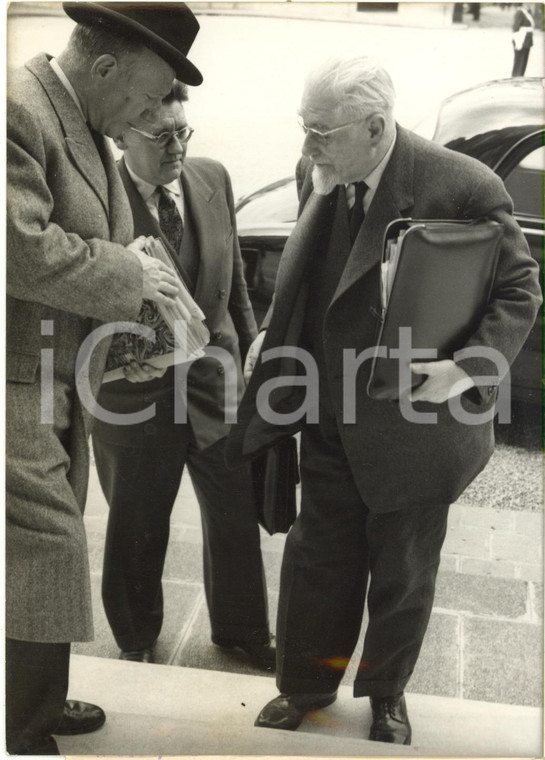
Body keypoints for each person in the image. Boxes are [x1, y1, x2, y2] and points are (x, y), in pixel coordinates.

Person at [226, 55, 541, 745]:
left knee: (400, 577)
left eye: (321, 133)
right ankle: (305, 686)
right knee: (318, 563)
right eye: (304, 129)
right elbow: (307, 275)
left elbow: (520, 291)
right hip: (329, 416)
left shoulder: (461, 186)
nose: (306, 148)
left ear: (374, 127)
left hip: (415, 431)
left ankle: (386, 695)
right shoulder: (326, 167)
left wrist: (462, 371)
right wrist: (273, 340)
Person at [6, 3, 202, 754]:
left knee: (46, 550)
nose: (154, 113)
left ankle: (40, 700)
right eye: (150, 97)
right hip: (17, 377)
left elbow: (113, 243)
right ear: (105, 67)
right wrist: (132, 276)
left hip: (58, 378)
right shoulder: (20, 111)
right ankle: (23, 733)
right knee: (44, 547)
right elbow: (19, 248)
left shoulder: (88, 124)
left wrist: (149, 330)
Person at [91, 81, 274, 671]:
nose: (177, 147)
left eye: (182, 131)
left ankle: (243, 629)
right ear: (121, 136)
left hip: (212, 380)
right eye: (161, 135)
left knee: (234, 509)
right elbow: (75, 291)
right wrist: (113, 356)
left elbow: (234, 277)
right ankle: (136, 635)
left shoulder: (212, 177)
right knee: (137, 520)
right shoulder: (96, 198)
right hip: (133, 393)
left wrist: (250, 344)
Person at [511, 4, 534, 76]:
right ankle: (515, 80)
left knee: (523, 63)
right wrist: (518, 41)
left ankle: (520, 78)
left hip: (527, 41)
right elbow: (515, 28)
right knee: (519, 63)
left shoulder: (527, 12)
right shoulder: (520, 12)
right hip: (521, 40)